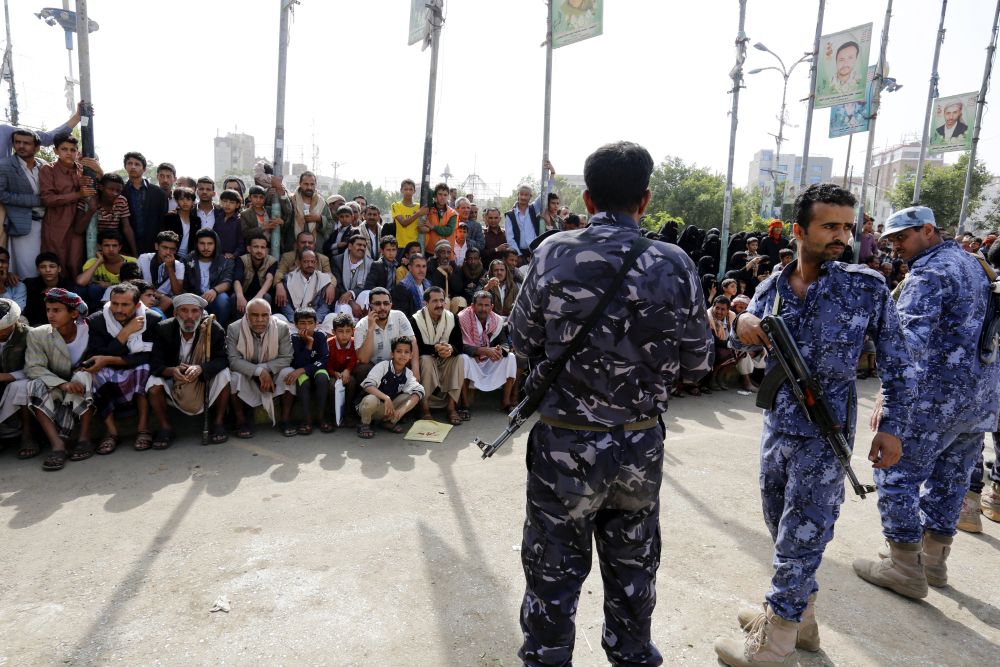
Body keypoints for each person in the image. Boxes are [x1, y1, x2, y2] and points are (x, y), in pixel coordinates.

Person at [509, 141, 711, 666]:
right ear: (645, 200)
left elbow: (521, 337)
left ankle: (547, 658)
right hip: (639, 445)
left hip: (564, 444)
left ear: (588, 196)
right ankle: (632, 655)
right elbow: (698, 361)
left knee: (553, 568)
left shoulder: (555, 251)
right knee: (632, 568)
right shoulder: (677, 263)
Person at [715, 183, 915, 667]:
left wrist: (892, 426)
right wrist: (741, 324)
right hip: (777, 429)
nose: (842, 236)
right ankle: (801, 620)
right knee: (778, 523)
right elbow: (743, 343)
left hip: (824, 434)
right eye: (830, 226)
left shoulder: (864, 286)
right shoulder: (772, 287)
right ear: (799, 230)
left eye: (847, 226)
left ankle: (776, 641)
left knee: (804, 532)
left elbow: (898, 360)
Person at [853, 206, 1000, 597]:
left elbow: (905, 347)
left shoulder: (928, 274)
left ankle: (903, 566)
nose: (896, 247)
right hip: (979, 398)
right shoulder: (974, 264)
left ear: (929, 230)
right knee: (951, 479)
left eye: (902, 237)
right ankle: (933, 562)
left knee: (894, 473)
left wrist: (890, 401)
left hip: (934, 397)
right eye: (890, 240)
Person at [82, 282, 160, 454]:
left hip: (135, 366)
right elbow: (96, 355)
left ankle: (143, 429)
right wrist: (124, 334)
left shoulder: (152, 319)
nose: (118, 309)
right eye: (115, 304)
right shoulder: (97, 321)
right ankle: (111, 433)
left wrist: (109, 358)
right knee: (96, 373)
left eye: (125, 305)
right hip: (109, 369)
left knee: (144, 368)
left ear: (137, 305)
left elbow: (149, 356)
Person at [146, 293, 230, 448]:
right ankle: (165, 427)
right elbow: (155, 363)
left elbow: (223, 359)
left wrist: (201, 368)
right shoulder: (163, 329)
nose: (189, 316)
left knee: (224, 374)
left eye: (194, 311)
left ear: (201, 313)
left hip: (202, 379)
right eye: (184, 311)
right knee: (153, 383)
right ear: (175, 313)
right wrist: (171, 371)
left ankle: (218, 423)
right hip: (174, 379)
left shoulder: (213, 329)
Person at [24, 288, 96, 471]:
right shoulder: (37, 334)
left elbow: (97, 356)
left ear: (73, 313)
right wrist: (63, 384)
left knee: (84, 377)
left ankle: (85, 438)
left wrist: (81, 372)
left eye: (56, 310)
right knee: (34, 385)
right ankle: (57, 445)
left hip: (82, 383)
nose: (51, 315)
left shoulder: (89, 330)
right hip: (56, 383)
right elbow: (34, 367)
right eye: (48, 310)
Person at [226, 298, 294, 437]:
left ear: (270, 315)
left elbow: (287, 358)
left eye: (264, 315)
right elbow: (233, 361)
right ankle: (241, 422)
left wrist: (265, 369)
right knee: (233, 377)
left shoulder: (281, 327)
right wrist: (259, 371)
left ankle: (286, 419)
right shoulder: (234, 328)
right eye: (255, 315)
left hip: (272, 373)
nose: (260, 320)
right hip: (247, 375)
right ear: (246, 315)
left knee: (289, 373)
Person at [410, 286, 466, 425]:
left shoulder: (452, 318)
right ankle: (424, 408)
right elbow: (417, 348)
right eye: (435, 301)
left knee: (459, 358)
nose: (439, 305)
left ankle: (451, 407)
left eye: (442, 300)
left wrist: (450, 349)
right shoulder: (415, 320)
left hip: (445, 359)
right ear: (425, 303)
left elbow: (459, 345)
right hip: (427, 359)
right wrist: (435, 349)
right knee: (426, 359)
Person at [40, 134, 92, 274]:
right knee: (57, 263)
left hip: (79, 224)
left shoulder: (83, 170)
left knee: (75, 264)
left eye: (72, 149)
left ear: (77, 152)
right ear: (56, 151)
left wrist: (97, 171)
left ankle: (74, 295)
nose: (69, 153)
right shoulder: (48, 169)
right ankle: (55, 295)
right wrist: (78, 194)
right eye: (64, 149)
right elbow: (48, 199)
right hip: (56, 224)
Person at [0, 128, 48, 278]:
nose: (21, 146)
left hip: (47, 223)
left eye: (26, 143)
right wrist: (37, 201)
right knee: (27, 268)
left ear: (37, 147)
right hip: (22, 223)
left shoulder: (44, 165)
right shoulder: (4, 165)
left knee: (45, 265)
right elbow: (1, 195)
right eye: (17, 142)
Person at [458, 291, 516, 411]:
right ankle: (464, 405)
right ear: (473, 306)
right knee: (463, 359)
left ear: (491, 307)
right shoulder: (462, 318)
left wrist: (500, 351)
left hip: (490, 359)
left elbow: (504, 343)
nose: (483, 309)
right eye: (480, 305)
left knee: (510, 357)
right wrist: (482, 350)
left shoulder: (497, 320)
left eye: (486, 305)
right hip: (472, 359)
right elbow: (459, 346)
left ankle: (506, 402)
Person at [356, 336, 424, 439]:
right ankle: (364, 424)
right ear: (392, 354)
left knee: (410, 395)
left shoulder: (408, 374)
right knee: (371, 399)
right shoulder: (383, 366)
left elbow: (420, 391)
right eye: (399, 351)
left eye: (406, 352)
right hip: (368, 407)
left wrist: (403, 409)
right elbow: (368, 385)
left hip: (388, 409)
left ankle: (388, 422)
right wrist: (386, 398)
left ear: (411, 355)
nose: (403, 355)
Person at [280, 307, 332, 436]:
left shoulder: (320, 336)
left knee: (322, 378)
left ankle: (321, 418)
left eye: (310, 323)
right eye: (302, 323)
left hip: (316, 370)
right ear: (296, 324)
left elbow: (324, 359)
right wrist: (309, 345)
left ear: (316, 324)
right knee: (303, 382)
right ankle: (307, 420)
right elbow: (298, 362)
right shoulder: (294, 339)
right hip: (302, 372)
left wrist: (304, 369)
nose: (307, 326)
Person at [75, 173, 138, 257]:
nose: (115, 193)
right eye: (111, 189)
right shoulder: (88, 201)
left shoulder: (121, 201)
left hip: (112, 244)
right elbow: (78, 229)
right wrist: (91, 210)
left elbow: (127, 228)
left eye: (118, 191)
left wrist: (135, 253)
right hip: (91, 246)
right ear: (101, 187)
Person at [182, 228, 234, 327]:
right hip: (193, 296)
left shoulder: (225, 261)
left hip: (214, 297)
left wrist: (214, 290)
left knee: (223, 299)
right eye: (202, 243)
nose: (206, 247)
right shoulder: (187, 260)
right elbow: (183, 285)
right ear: (197, 244)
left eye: (210, 244)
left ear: (216, 244)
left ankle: (220, 332)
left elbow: (228, 281)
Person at [505, 160, 555, 258]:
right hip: (517, 255)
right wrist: (518, 256)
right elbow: (510, 238)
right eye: (521, 194)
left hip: (535, 253)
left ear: (530, 196)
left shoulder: (533, 208)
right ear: (518, 195)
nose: (523, 197)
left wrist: (552, 173)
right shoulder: (510, 215)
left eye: (526, 195)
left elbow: (546, 191)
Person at [77, 230, 137, 312]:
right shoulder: (93, 262)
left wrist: (110, 286)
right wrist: (98, 262)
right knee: (90, 289)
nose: (111, 249)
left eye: (114, 246)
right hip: (98, 301)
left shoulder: (132, 262)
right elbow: (81, 282)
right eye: (106, 245)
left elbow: (137, 286)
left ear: (120, 247)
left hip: (124, 298)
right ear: (99, 246)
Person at [0, 299, 32, 451]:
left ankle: (28, 436)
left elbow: (35, 368)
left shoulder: (29, 336)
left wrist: (6, 377)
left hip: (22, 382)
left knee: (21, 387)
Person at [122, 151, 169, 254]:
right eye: (129, 163)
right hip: (126, 247)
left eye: (137, 164)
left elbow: (162, 222)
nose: (133, 167)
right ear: (125, 167)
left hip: (153, 246)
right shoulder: (121, 192)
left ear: (144, 169)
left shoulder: (159, 194)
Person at [283, 172, 333, 253]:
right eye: (306, 184)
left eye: (312, 184)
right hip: (293, 251)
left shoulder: (322, 203)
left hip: (315, 253)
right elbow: (284, 222)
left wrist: (319, 219)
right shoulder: (291, 200)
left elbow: (331, 226)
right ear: (300, 184)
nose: (309, 187)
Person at [137, 230, 185, 313]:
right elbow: (135, 283)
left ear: (176, 250)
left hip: (167, 303)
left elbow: (177, 292)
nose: (168, 252)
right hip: (145, 298)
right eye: (164, 247)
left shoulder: (179, 266)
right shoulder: (144, 258)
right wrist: (156, 294)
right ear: (156, 246)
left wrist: (170, 268)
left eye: (172, 249)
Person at [326, 311, 360, 427]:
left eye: (348, 331)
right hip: (332, 374)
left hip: (347, 373)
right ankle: (331, 415)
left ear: (353, 331)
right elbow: (327, 363)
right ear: (333, 332)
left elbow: (354, 359)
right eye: (340, 331)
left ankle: (348, 414)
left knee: (352, 382)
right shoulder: (329, 344)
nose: (344, 335)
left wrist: (348, 370)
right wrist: (334, 373)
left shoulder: (355, 343)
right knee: (331, 386)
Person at [279, 249, 332, 322]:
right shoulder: (289, 279)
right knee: (277, 318)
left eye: (312, 262)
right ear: (299, 263)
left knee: (332, 317)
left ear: (315, 263)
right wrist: (295, 320)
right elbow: (285, 304)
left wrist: (314, 321)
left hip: (315, 321)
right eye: (306, 262)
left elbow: (325, 306)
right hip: (294, 320)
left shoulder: (323, 279)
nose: (310, 265)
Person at [234, 233, 277, 316]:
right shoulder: (242, 260)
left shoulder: (272, 261)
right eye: (256, 247)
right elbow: (237, 280)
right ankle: (240, 324)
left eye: (262, 247)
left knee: (266, 297)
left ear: (266, 250)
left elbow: (270, 279)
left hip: (260, 295)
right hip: (245, 295)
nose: (259, 250)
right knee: (234, 297)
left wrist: (258, 296)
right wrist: (240, 296)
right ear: (249, 248)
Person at [331, 234, 373, 319]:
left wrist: (351, 293)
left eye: (364, 246)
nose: (362, 248)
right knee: (343, 311)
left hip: (359, 296)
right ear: (350, 246)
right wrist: (351, 302)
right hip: (342, 297)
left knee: (368, 293)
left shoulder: (370, 263)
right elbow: (338, 285)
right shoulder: (337, 260)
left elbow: (368, 286)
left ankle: (367, 323)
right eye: (359, 245)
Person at [23, 252, 71, 326]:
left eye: (52, 266)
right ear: (38, 270)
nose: (48, 270)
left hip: (60, 327)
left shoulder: (68, 287)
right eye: (43, 267)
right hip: (34, 328)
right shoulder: (30, 284)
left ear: (59, 269)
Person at [427, 239, 467, 315]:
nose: (446, 256)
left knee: (460, 300)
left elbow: (458, 288)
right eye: (443, 252)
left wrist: (451, 273)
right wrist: (440, 269)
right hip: (435, 299)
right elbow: (432, 286)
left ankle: (456, 324)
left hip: (451, 298)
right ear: (437, 254)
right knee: (446, 301)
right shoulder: (431, 265)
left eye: (448, 252)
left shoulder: (453, 265)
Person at [706, 294, 736, 391]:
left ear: (727, 311)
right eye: (717, 308)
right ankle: (712, 378)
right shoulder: (708, 316)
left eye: (723, 309)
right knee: (725, 354)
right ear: (713, 306)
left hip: (727, 344)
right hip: (712, 345)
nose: (719, 312)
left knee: (741, 351)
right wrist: (729, 345)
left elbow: (736, 334)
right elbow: (713, 339)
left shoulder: (732, 316)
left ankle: (720, 377)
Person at [419, 183, 458, 253]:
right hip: (430, 251)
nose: (442, 197)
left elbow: (448, 231)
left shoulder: (452, 213)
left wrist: (432, 227)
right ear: (435, 195)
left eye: (445, 195)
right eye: (440, 194)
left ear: (448, 196)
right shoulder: (429, 209)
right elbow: (428, 190)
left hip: (446, 253)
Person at [391, 252, 431, 318]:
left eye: (424, 266)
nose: (421, 270)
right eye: (418, 266)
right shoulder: (401, 289)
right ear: (410, 267)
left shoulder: (429, 285)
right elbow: (401, 317)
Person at [162, 186, 198, 259]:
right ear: (177, 201)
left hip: (190, 257)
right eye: (181, 199)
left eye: (188, 199)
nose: (185, 202)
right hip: (171, 255)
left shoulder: (196, 220)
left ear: (193, 202)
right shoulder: (170, 218)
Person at [391, 179, 425, 251]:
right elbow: (403, 223)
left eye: (410, 189)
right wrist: (418, 213)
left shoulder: (419, 207)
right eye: (405, 189)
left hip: (415, 247)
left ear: (414, 191)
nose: (408, 192)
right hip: (400, 245)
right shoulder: (396, 205)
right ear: (401, 190)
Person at [215, 189, 245, 259]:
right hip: (217, 256)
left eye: (231, 202)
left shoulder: (239, 220)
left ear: (237, 205)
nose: (227, 204)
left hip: (232, 258)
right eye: (225, 201)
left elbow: (242, 243)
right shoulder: (218, 218)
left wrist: (234, 254)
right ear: (221, 202)